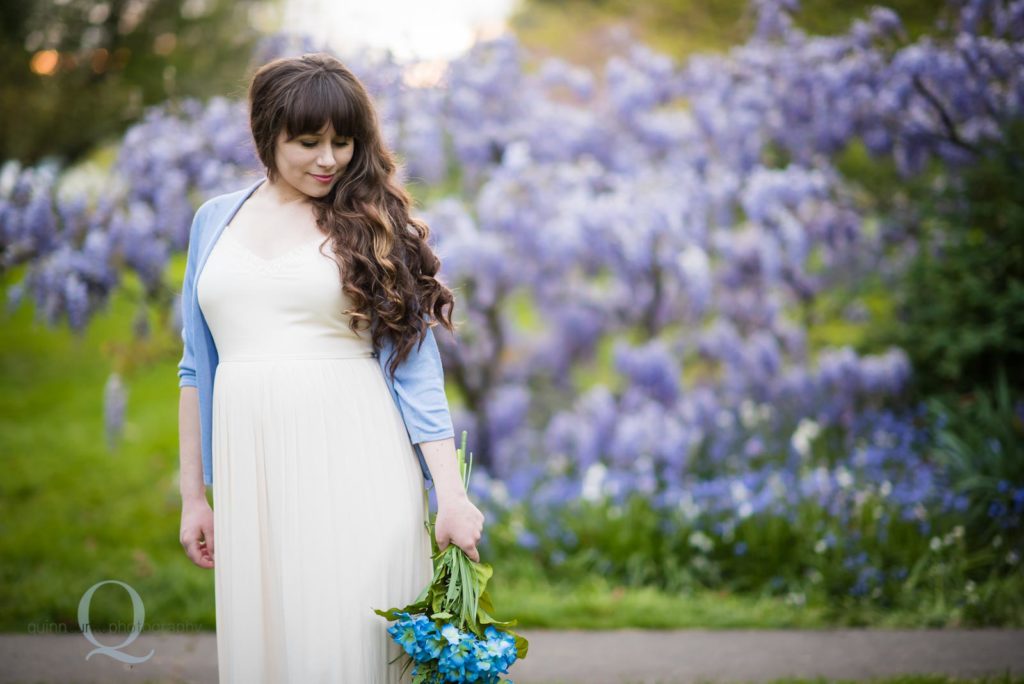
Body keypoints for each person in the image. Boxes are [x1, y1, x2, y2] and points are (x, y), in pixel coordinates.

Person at [176, 52, 485, 683]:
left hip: (356, 458)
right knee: (275, 646)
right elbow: (193, 368)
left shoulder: (369, 223)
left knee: (349, 640)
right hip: (252, 471)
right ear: (268, 134)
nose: (329, 160)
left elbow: (414, 368)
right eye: (308, 141)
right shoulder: (215, 220)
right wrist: (193, 497)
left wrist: (450, 496)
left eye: (343, 142)